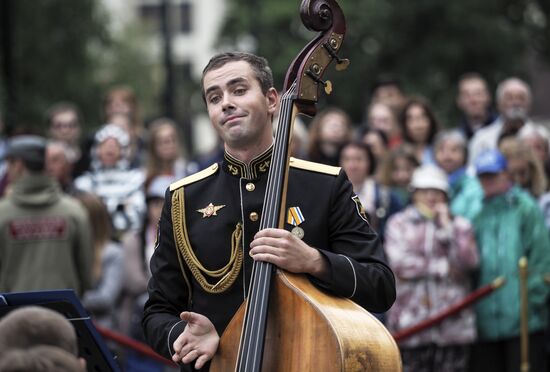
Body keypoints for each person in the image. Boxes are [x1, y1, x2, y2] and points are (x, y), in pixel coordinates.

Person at [142, 52, 396, 371]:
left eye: (238, 89)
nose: (226, 103)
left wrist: (315, 261)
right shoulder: (184, 198)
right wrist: (183, 336)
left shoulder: (326, 185)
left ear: (272, 100)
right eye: (214, 97)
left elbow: (381, 285)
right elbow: (157, 311)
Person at [385, 165, 479, 372]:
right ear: (414, 193)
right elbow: (400, 263)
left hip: (453, 327)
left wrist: (448, 228)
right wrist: (443, 267)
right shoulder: (399, 223)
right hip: (412, 324)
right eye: (425, 191)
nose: (431, 197)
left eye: (436, 192)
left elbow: (469, 262)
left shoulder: (460, 225)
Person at [469, 149, 550, 372]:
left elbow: (542, 257)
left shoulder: (525, 207)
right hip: (485, 319)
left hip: (524, 320)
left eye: (493, 175)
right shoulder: (475, 212)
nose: (489, 181)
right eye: (484, 176)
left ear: (506, 174)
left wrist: (532, 303)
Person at [0, 135, 92, 295]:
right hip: (64, 312)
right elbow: (86, 275)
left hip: (12, 314)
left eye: (9, 164)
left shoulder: (2, 214)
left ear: (19, 166)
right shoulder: (74, 211)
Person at [74, 124, 146, 236]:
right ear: (96, 150)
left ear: (123, 150)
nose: (110, 149)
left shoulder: (135, 179)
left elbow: (137, 215)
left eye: (114, 145)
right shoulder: (84, 183)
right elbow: (85, 216)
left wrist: (101, 205)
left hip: (127, 239)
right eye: (105, 145)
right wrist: (121, 206)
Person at [77, 192, 124, 330]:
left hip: (102, 330)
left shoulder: (112, 253)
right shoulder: (70, 250)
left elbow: (106, 298)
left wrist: (70, 299)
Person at [339, 141, 403, 240]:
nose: (353, 165)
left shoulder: (386, 196)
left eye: (359, 159)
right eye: (347, 159)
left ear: (370, 162)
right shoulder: (332, 194)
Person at [468, 77, 535, 167]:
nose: (515, 103)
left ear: (529, 104)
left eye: (521, 98)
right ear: (499, 104)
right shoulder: (481, 139)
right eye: (509, 98)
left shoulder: (542, 137)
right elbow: (472, 172)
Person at [398, 96, 440, 165]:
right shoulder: (400, 153)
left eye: (422, 118)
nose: (418, 125)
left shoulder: (441, 149)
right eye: (411, 120)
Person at [455, 72, 497, 139]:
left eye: (478, 94)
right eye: (467, 95)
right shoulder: (456, 138)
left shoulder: (502, 130)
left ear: (488, 97)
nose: (473, 100)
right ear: (459, 101)